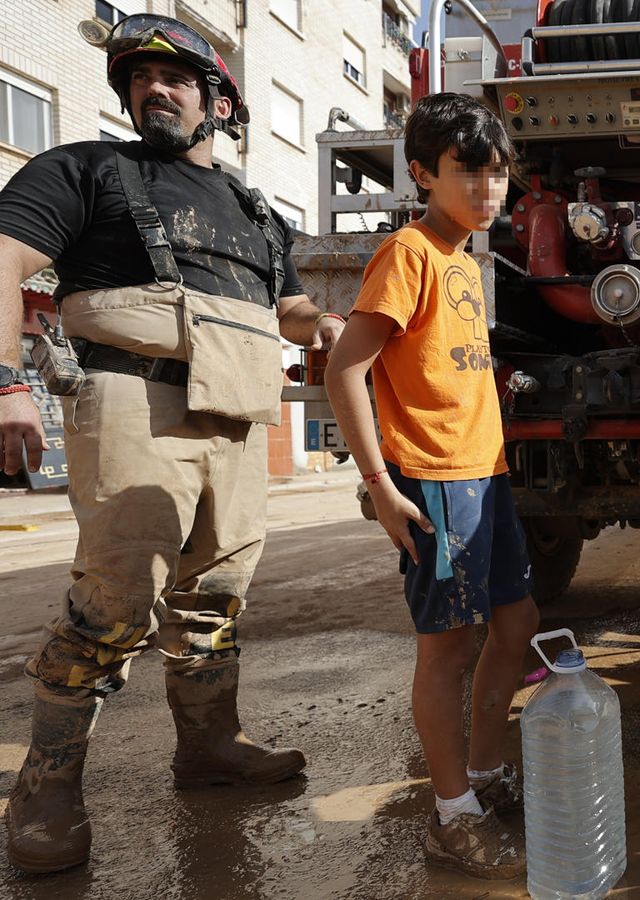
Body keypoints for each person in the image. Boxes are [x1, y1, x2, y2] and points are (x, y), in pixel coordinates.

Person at [0, 15, 343, 874]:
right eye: (138, 78)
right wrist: (7, 383)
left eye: (176, 77)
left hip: (237, 411)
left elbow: (285, 307)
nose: (153, 88)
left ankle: (210, 748)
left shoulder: (254, 208)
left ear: (218, 103)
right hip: (132, 398)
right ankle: (46, 786)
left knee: (214, 598)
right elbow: (3, 260)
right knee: (116, 600)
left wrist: (324, 324)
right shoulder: (85, 168)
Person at [322, 93, 537, 880]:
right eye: (468, 171)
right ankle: (451, 814)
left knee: (517, 624)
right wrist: (379, 483)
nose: (488, 188)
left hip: (486, 473)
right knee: (448, 648)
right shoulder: (408, 252)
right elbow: (344, 368)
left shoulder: (463, 261)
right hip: (435, 478)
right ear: (421, 173)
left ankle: (482, 773)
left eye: (498, 172)